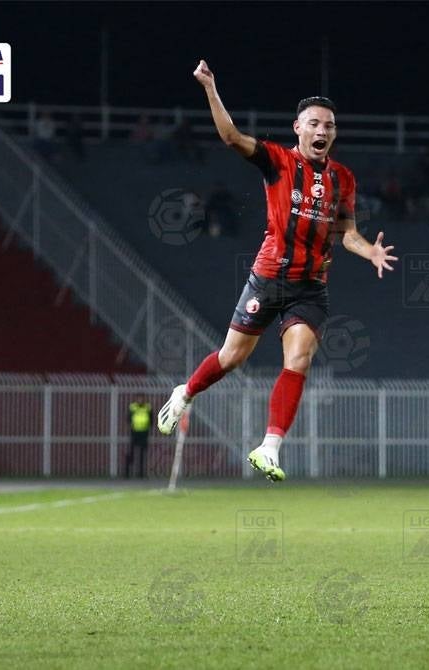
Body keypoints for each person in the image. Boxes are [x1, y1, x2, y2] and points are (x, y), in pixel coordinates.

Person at [157, 60, 398, 483]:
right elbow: (231, 137)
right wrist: (210, 88)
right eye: (314, 124)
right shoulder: (278, 161)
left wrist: (371, 251)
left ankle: (269, 447)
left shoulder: (343, 178)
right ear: (298, 128)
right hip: (269, 277)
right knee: (232, 358)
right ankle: (186, 392)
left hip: (311, 287)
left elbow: (347, 233)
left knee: (300, 357)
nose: (322, 131)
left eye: (329, 126)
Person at [125, 397, 152, 479]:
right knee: (131, 453)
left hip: (144, 433)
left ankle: (141, 473)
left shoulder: (147, 407)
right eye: (139, 399)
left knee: (142, 454)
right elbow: (129, 418)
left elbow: (151, 418)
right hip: (135, 433)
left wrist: (148, 426)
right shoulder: (133, 407)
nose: (140, 400)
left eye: (141, 399)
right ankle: (127, 472)